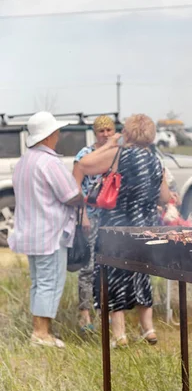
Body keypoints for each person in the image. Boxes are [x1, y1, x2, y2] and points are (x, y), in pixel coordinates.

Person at [78, 114, 171, 348]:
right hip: (144, 230)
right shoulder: (154, 161)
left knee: (114, 276)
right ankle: (148, 329)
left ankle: (119, 335)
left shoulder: (119, 155)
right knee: (141, 274)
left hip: (116, 229)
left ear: (127, 133)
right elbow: (165, 197)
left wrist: (109, 144)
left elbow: (84, 165)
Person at [9, 111, 83, 348]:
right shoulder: (49, 162)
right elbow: (70, 195)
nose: (59, 135)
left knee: (39, 282)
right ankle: (41, 334)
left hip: (30, 231)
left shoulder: (24, 161)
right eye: (56, 131)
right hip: (50, 232)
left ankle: (40, 329)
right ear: (49, 135)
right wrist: (84, 198)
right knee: (50, 282)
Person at [72, 115, 116, 334]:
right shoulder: (84, 155)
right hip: (90, 215)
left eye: (109, 130)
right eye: (101, 131)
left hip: (111, 218)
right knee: (88, 267)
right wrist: (84, 216)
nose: (106, 134)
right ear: (95, 133)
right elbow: (76, 186)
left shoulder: (116, 155)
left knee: (106, 265)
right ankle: (84, 314)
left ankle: (103, 310)